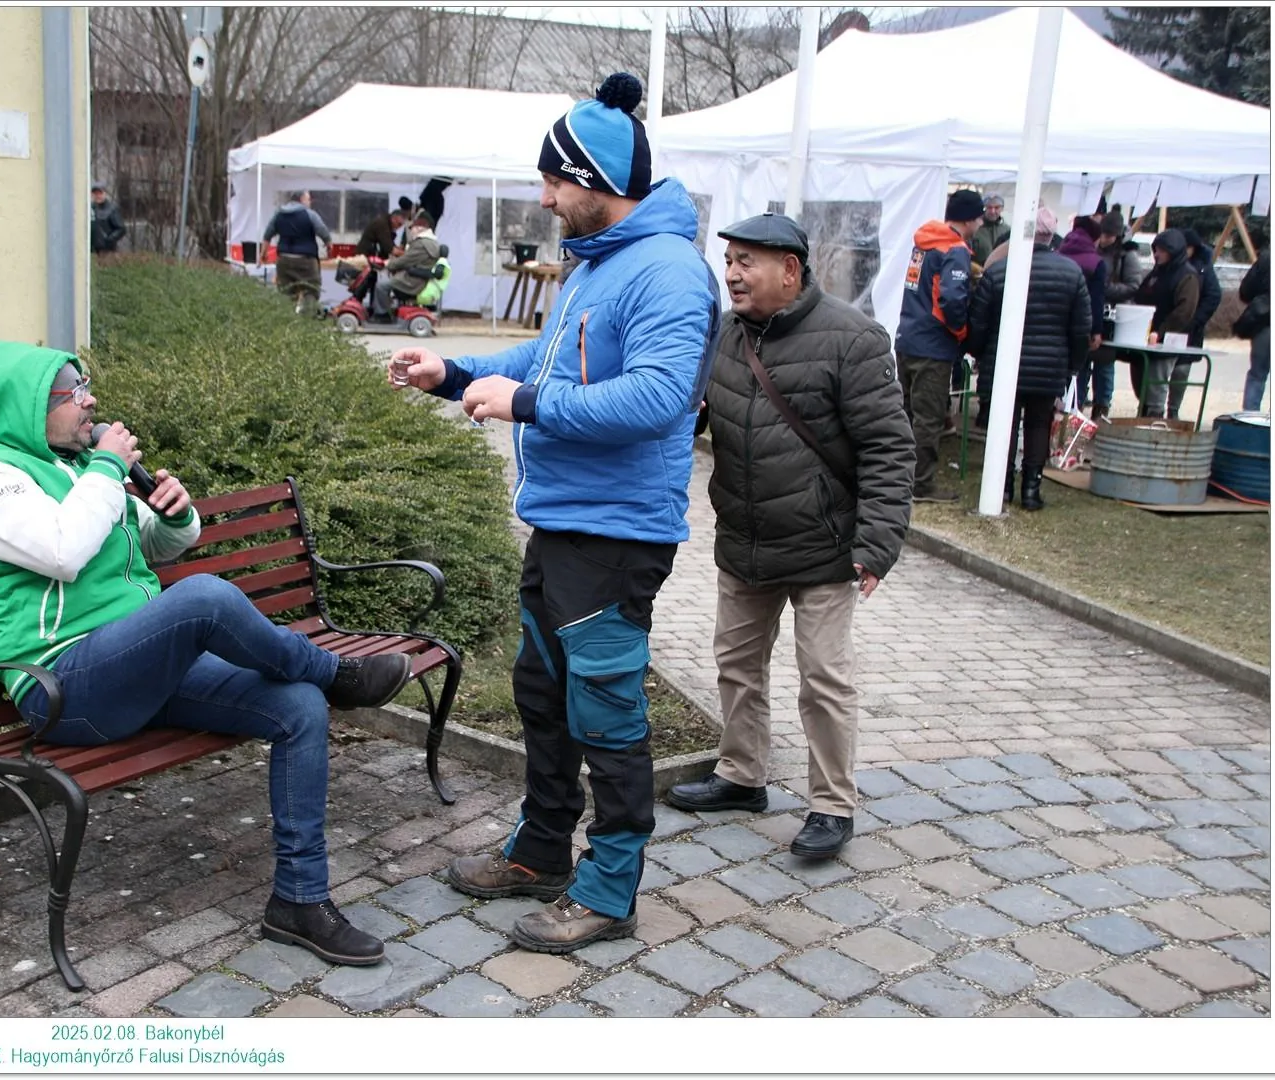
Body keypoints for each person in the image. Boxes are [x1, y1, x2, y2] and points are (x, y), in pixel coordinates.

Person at [0, 342, 415, 967]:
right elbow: (61, 549)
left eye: (85, 384)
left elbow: (159, 545)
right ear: (28, 408)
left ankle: (300, 901)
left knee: (298, 706)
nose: (89, 400)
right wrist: (107, 471)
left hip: (136, 669)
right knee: (202, 600)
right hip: (63, 686)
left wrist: (175, 513)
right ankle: (336, 672)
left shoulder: (81, 467)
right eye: (70, 391)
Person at [388, 73, 717, 954]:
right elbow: (545, 354)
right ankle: (540, 851)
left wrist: (524, 402)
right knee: (542, 691)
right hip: (564, 520)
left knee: (605, 711)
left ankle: (609, 892)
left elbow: (655, 398)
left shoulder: (670, 273)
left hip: (617, 534)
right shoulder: (598, 265)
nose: (544, 198)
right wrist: (453, 375)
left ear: (598, 180)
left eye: (555, 181)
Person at [663, 214, 914, 860]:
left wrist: (877, 541)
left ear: (791, 270)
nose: (732, 274)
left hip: (825, 546)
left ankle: (832, 805)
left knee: (823, 679)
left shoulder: (853, 340)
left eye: (747, 261)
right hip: (745, 538)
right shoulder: (724, 334)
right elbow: (693, 415)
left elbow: (888, 449)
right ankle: (741, 775)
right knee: (735, 665)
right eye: (730, 261)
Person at [968, 207, 1091, 510]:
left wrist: (979, 353)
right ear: (1051, 236)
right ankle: (1032, 490)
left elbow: (979, 323)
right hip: (1050, 365)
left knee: (1004, 425)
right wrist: (1072, 365)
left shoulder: (999, 271)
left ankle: (1003, 485)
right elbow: (1081, 329)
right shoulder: (1071, 273)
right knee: (1039, 425)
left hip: (1004, 363)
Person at [895, 188, 983, 503]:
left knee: (904, 415)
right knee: (928, 418)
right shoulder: (954, 249)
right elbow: (951, 298)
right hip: (933, 345)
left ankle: (895, 478)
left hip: (908, 336)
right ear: (972, 219)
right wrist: (961, 332)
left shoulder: (924, 242)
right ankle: (921, 486)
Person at [1129, 228, 1199, 417]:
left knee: (1156, 384)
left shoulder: (1187, 276)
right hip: (1145, 337)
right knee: (1142, 384)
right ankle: (1145, 414)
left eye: (1161, 250)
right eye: (1155, 250)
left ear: (1173, 250)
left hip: (1166, 341)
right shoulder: (1157, 273)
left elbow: (1185, 311)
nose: (1156, 254)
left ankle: (1154, 420)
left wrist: (1161, 332)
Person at [1091, 210, 1146, 422]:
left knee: (1105, 364)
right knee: (1089, 360)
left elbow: (1134, 285)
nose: (1104, 240)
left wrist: (1105, 289)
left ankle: (1101, 408)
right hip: (1097, 310)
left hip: (1115, 316)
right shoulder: (1096, 249)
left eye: (1109, 236)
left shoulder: (1127, 255)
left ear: (1117, 235)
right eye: (1102, 234)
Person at [1165, 228, 1224, 419]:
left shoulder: (1203, 268)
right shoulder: (1170, 264)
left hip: (1190, 330)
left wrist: (1195, 320)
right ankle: (1153, 409)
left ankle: (1173, 409)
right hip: (1167, 325)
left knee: (1181, 370)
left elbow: (1213, 296)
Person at [1057, 215, 1109, 411]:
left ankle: (1058, 409)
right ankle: (1073, 410)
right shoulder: (1095, 262)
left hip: (1057, 322)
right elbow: (1096, 298)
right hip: (1081, 324)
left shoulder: (1059, 254)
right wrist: (1096, 330)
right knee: (1079, 369)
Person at [262, 191, 331, 314]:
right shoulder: (310, 214)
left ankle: (286, 322)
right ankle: (307, 321)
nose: (309, 203)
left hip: (284, 260)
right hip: (306, 261)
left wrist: (263, 254)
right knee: (311, 290)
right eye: (308, 199)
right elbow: (323, 231)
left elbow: (267, 235)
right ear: (301, 199)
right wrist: (329, 245)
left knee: (286, 292)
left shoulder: (278, 214)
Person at [372, 214, 440, 320]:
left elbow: (405, 260)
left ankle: (382, 315)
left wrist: (387, 264)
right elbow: (409, 259)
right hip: (419, 279)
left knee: (381, 286)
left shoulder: (421, 244)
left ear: (419, 229)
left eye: (412, 228)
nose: (411, 231)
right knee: (385, 283)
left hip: (412, 281)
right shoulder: (432, 243)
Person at [1239, 251, 1271, 412]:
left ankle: (1250, 420)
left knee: (1257, 375)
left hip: (1265, 322)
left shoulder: (1267, 258)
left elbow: (1245, 291)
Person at [971, 194, 1009, 268]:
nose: (992, 211)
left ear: (1002, 208)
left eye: (996, 207)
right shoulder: (974, 229)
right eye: (989, 207)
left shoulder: (1007, 230)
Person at [89, 181, 126, 255]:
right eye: (95, 194)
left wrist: (108, 240)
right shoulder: (89, 208)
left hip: (107, 251)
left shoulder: (112, 209)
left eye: (100, 193)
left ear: (105, 193)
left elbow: (121, 229)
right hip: (91, 251)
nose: (98, 196)